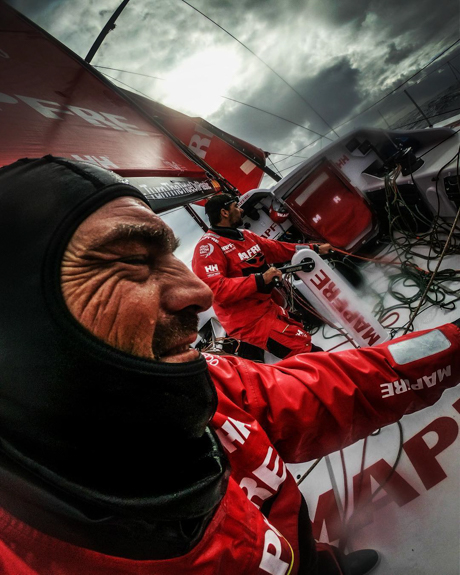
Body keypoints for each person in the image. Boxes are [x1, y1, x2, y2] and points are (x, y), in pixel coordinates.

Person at [0, 156, 460, 575]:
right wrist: (261, 279)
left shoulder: (213, 382)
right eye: (135, 261)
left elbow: (339, 385)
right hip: (255, 323)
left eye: (165, 255)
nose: (195, 296)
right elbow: (218, 290)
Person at [192, 193, 332, 359]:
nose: (241, 210)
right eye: (236, 207)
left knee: (303, 339)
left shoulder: (246, 235)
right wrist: (261, 279)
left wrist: (313, 249)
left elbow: (279, 249)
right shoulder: (208, 247)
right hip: (249, 321)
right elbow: (216, 290)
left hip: (268, 308)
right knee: (307, 353)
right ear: (224, 212)